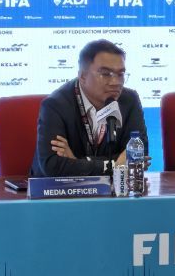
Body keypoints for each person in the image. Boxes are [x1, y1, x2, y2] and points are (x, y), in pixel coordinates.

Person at [31, 39, 148, 177]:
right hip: (58, 188)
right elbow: (52, 165)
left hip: (114, 187)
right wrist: (117, 165)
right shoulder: (55, 105)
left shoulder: (129, 100)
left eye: (120, 74)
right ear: (83, 76)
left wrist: (77, 162)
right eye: (106, 74)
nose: (116, 82)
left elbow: (139, 153)